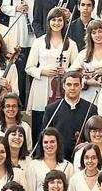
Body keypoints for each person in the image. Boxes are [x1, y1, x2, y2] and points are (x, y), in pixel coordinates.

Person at [26, 7, 79, 144]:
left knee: (59, 121)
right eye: (53, 20)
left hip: (60, 89)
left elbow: (77, 66)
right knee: (40, 122)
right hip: (41, 85)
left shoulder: (71, 44)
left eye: (60, 20)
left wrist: (66, 71)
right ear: (48, 22)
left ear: (64, 22)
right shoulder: (39, 42)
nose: (56, 23)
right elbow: (29, 67)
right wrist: (42, 71)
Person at [41, 71, 98, 161]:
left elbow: (95, 135)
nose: (72, 88)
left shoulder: (91, 109)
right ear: (64, 86)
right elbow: (44, 136)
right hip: (58, 158)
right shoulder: (51, 109)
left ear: (81, 86)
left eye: (76, 85)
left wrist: (88, 143)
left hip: (83, 158)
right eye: (69, 84)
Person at [69, 20, 102, 105]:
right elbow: (71, 74)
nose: (97, 35)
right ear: (90, 36)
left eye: (100, 31)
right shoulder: (83, 54)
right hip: (87, 97)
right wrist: (87, 82)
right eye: (94, 32)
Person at [0, 0, 36, 104]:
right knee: (20, 74)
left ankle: (31, 104)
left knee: (33, 74)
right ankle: (20, 103)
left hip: (33, 36)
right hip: (18, 35)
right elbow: (3, 7)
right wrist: (16, 8)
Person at [26, 127, 74, 191]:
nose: (49, 145)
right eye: (45, 142)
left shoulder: (68, 166)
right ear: (41, 144)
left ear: (58, 143)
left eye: (52, 142)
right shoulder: (33, 166)